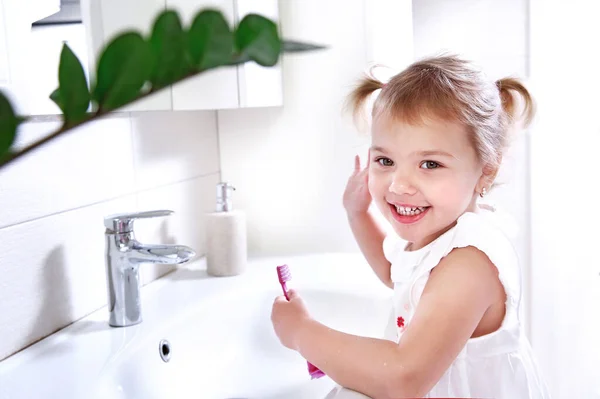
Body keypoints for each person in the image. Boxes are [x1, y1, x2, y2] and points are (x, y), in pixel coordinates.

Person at [271, 54, 551, 398]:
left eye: (430, 164)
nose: (399, 185)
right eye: (385, 160)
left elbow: (404, 378)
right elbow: (396, 272)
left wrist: (302, 333)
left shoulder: (470, 262)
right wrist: (357, 214)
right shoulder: (440, 235)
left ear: (486, 171)